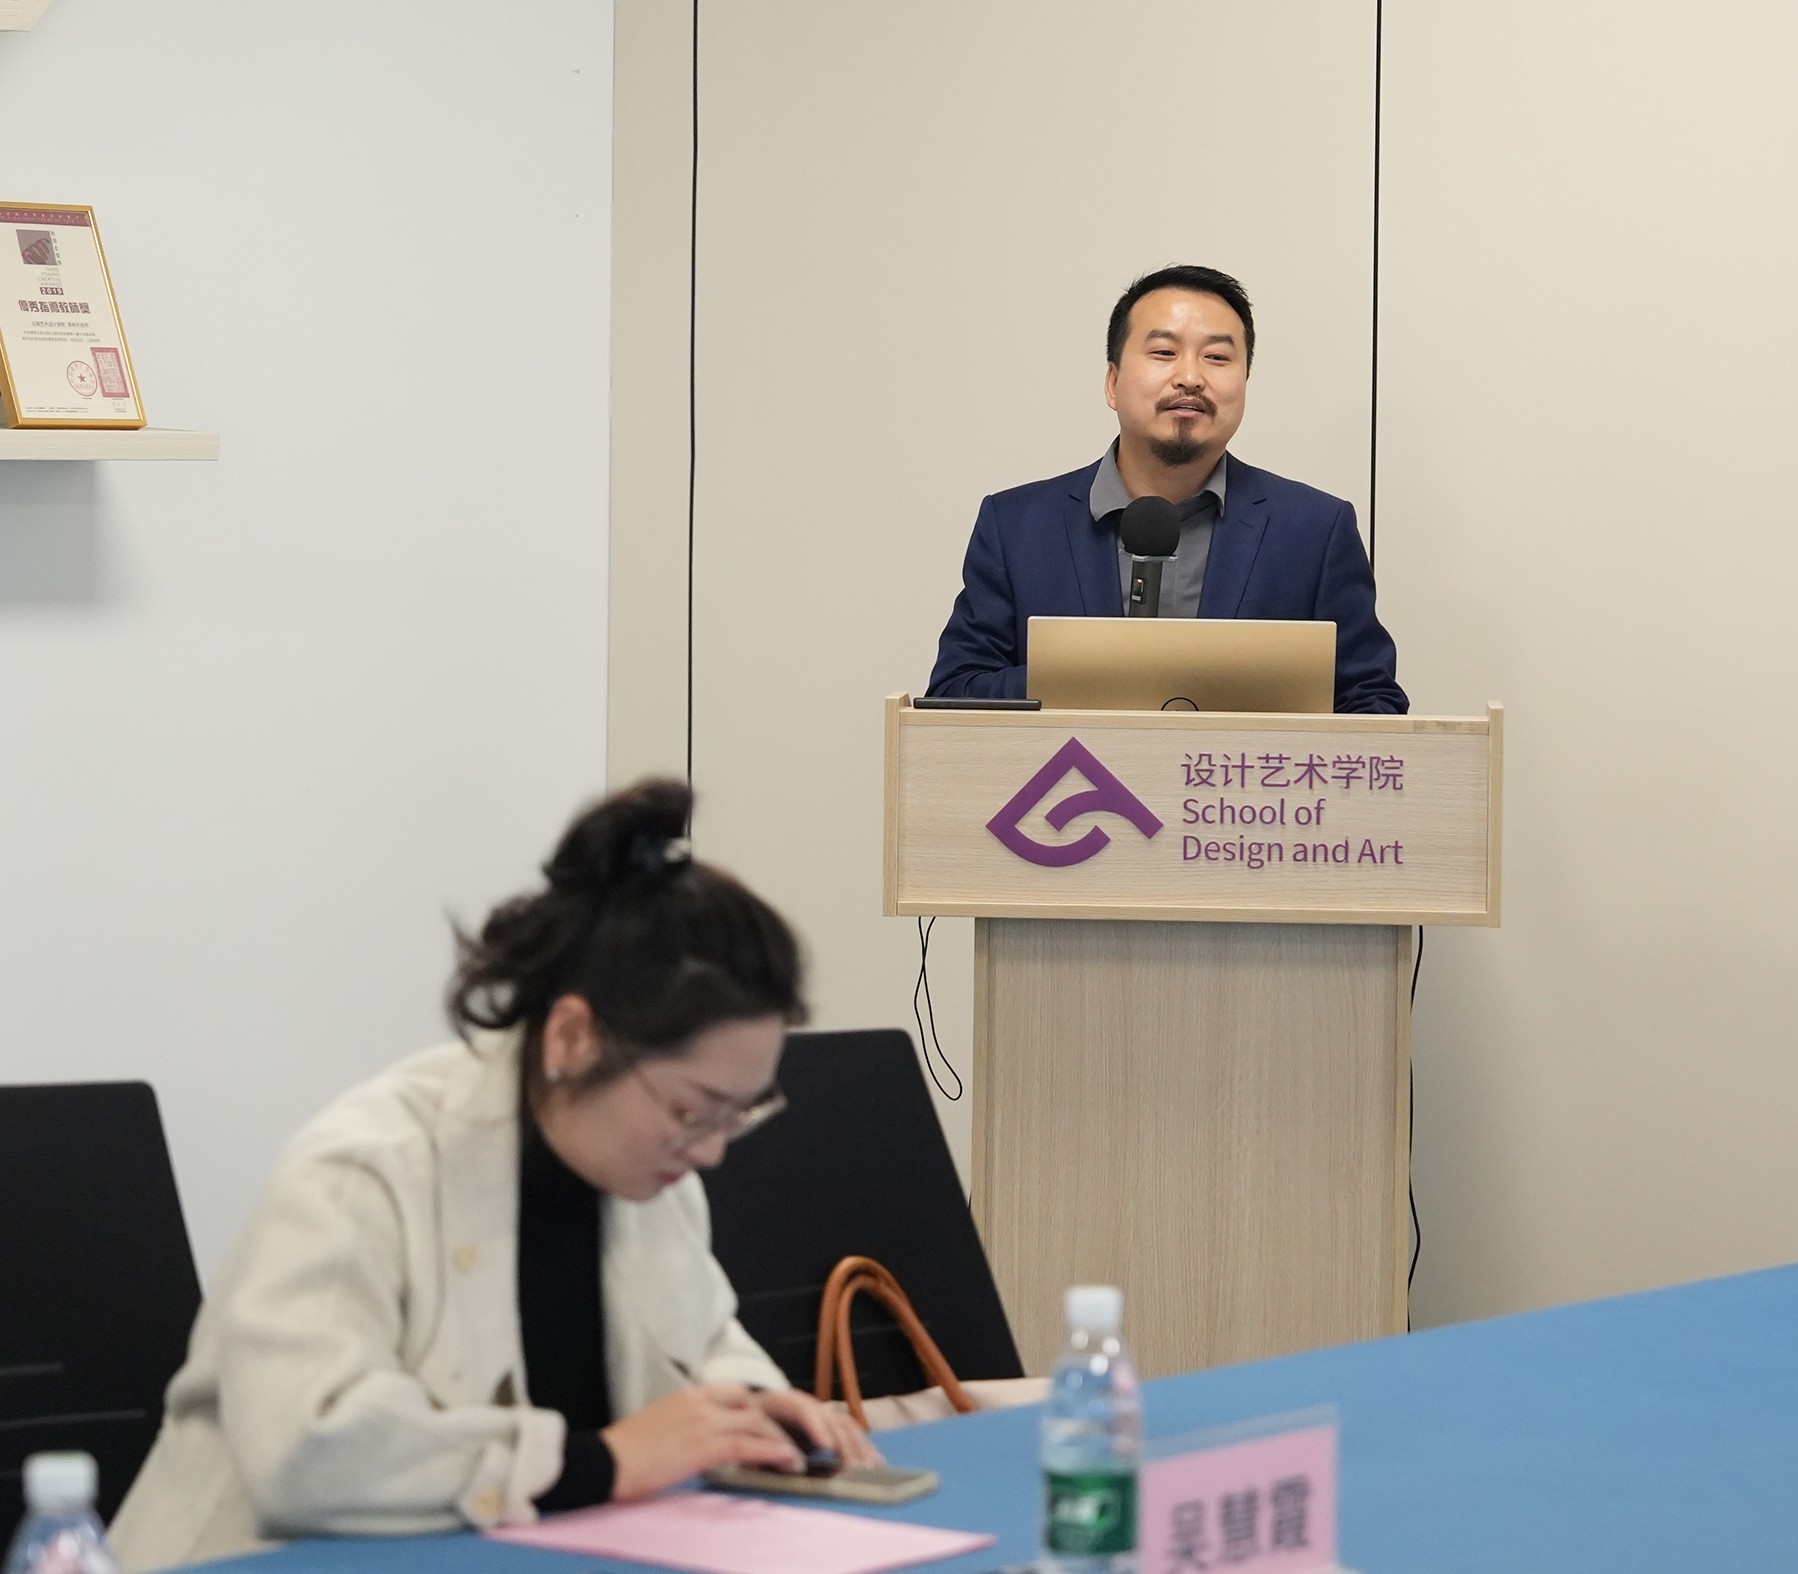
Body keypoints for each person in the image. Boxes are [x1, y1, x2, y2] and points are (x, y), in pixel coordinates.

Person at [109, 780, 881, 1571]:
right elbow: (309, 1450)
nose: (712, 1152)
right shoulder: (365, 1169)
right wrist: (603, 1462)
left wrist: (750, 1406)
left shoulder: (648, 1176)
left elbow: (700, 1339)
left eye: (739, 1114)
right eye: (693, 1110)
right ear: (574, 1037)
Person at [926, 264, 1409, 714]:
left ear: (1244, 383)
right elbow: (955, 693)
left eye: (1217, 357)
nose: (1191, 377)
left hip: (1236, 782)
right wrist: (1100, 679)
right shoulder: (1016, 526)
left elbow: (1372, 702)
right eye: (1163, 352)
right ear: (1113, 382)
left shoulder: (1315, 530)